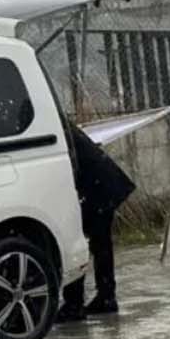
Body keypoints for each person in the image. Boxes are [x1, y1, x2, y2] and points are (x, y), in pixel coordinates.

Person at [59, 122, 136, 321]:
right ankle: (105, 297)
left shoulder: (54, 126)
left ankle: (76, 304)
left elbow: (72, 166)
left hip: (97, 188)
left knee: (78, 243)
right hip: (102, 184)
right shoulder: (59, 123)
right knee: (99, 243)